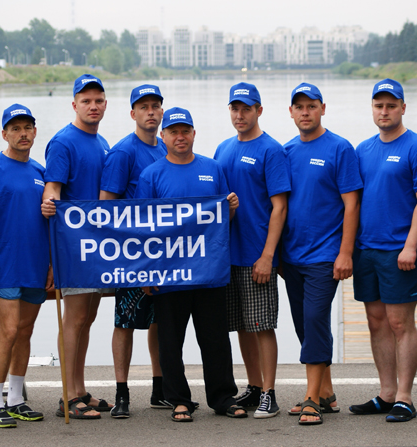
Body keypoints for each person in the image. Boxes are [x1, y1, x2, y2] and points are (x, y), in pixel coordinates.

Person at [135, 107, 246, 422]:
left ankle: (223, 398)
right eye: (173, 132)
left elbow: (222, 220)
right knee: (170, 341)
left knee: (215, 339)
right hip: (169, 273)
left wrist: (231, 208)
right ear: (164, 136)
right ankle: (179, 400)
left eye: (185, 131)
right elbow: (141, 228)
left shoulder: (212, 168)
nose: (180, 137)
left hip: (209, 270)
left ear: (194, 134)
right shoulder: (151, 175)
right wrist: (146, 272)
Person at [350, 78, 417, 422]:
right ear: (372, 108)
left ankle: (405, 397)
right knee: (376, 322)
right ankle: (386, 394)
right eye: (379, 105)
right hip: (366, 249)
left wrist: (411, 246)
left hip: (400, 251)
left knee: (400, 323)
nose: (384, 111)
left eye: (391, 105)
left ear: (403, 107)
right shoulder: (363, 150)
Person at [281, 83, 362, 425]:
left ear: (322, 109)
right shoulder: (285, 151)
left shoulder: (340, 148)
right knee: (304, 323)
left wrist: (346, 253)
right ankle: (326, 391)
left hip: (325, 254)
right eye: (299, 107)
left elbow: (352, 204)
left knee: (315, 318)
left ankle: (311, 398)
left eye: (311, 106)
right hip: (291, 256)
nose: (305, 112)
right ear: (291, 112)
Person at [214, 82, 291, 418]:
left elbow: (280, 207)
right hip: (226, 256)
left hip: (256, 255)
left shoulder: (271, 150)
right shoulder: (222, 149)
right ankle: (255, 385)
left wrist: (268, 255)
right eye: (235, 108)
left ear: (259, 110)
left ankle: (270, 393)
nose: (240, 115)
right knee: (243, 326)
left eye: (246, 108)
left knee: (262, 325)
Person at [0, 104, 52, 427]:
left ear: (34, 132)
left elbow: (51, 223)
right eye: (15, 129)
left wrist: (51, 265)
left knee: (25, 331)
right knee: (7, 331)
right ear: (4, 134)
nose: (23, 134)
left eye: (27, 128)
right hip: (5, 265)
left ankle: (16, 399)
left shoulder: (41, 172)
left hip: (36, 265)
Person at [41, 74, 112, 419]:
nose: (93, 106)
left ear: (105, 104)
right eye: (86, 101)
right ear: (74, 105)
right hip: (74, 247)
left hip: (99, 247)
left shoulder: (103, 143)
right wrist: (49, 204)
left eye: (98, 101)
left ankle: (80, 388)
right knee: (75, 317)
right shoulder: (63, 142)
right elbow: (52, 189)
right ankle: (68, 395)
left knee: (88, 318)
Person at [99, 85, 169, 417]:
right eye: (144, 107)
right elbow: (105, 208)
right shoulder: (123, 153)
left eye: (155, 106)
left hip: (163, 254)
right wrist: (131, 258)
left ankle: (159, 389)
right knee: (125, 323)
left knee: (160, 323)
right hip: (131, 256)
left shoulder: (166, 147)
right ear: (133, 113)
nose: (150, 112)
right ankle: (122, 393)